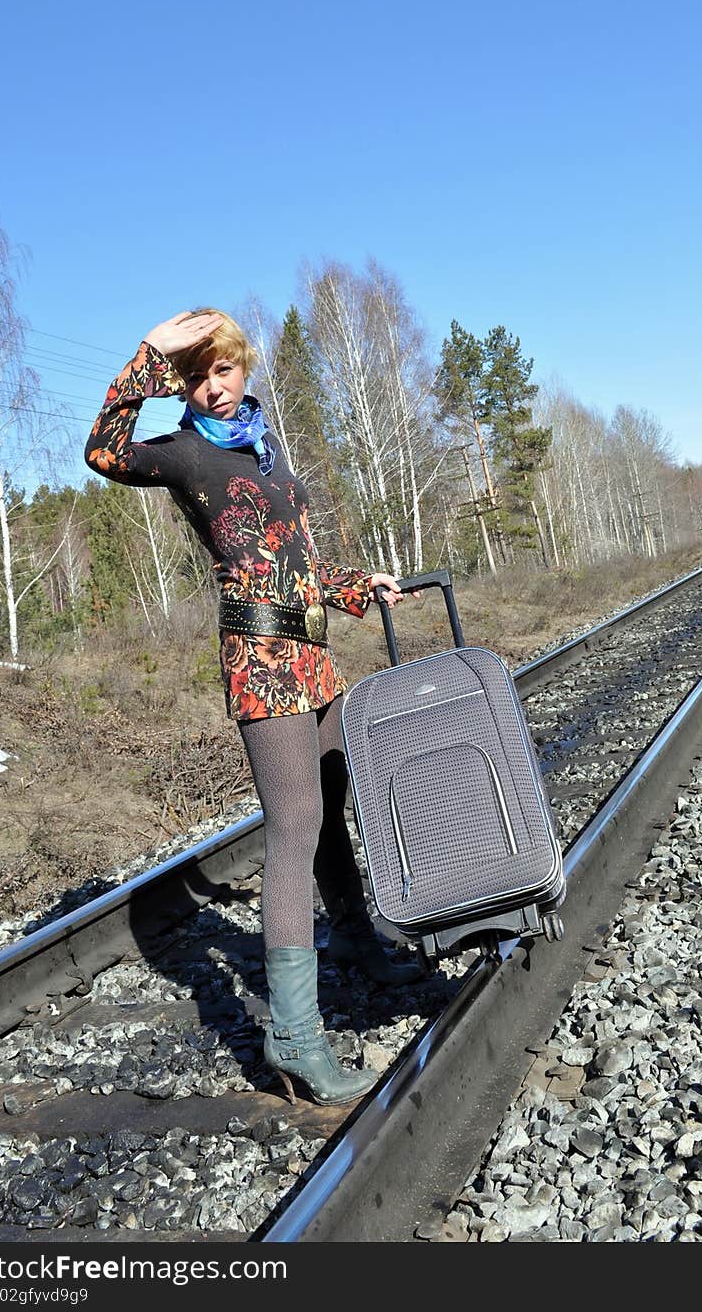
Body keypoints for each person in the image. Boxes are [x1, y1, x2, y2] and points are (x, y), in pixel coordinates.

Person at [85, 308, 422, 1106]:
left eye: (225, 369)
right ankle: (295, 1036)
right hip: (262, 664)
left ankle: (357, 942)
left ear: (244, 367)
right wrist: (148, 355)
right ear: (184, 384)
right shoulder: (183, 453)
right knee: (295, 823)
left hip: (312, 657)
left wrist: (354, 586)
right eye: (198, 376)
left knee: (331, 801)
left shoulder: (267, 452)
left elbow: (296, 559)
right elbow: (102, 450)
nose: (215, 386)